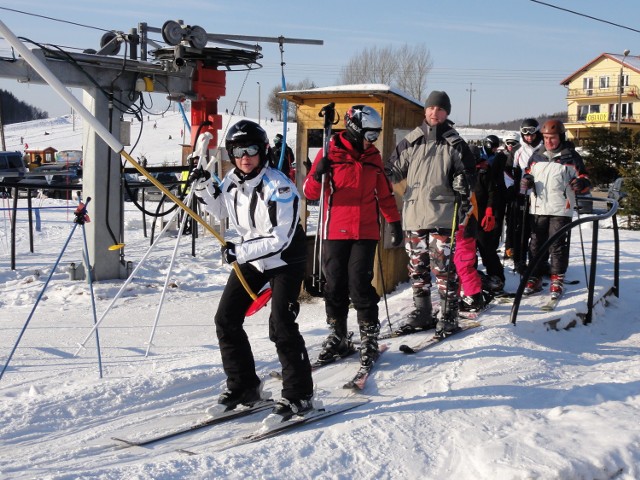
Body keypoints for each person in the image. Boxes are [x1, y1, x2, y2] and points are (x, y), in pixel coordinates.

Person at [192, 119, 313, 420]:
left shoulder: (280, 187)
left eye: (252, 149)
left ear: (264, 152)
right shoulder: (232, 180)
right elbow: (221, 210)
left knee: (281, 325)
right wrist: (205, 187)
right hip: (253, 259)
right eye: (238, 150)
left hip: (284, 260)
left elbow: (280, 239)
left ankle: (300, 394)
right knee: (226, 319)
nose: (245, 157)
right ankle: (244, 385)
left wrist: (238, 251)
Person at [303, 105, 402, 367]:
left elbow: (385, 193)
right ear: (356, 129)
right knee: (334, 284)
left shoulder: (373, 157)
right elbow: (310, 193)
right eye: (370, 135)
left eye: (376, 136)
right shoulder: (329, 154)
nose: (373, 141)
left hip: (366, 231)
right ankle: (338, 334)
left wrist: (394, 223)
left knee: (359, 283)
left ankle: (368, 334)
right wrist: (317, 173)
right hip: (334, 229)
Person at [384, 91, 477, 337]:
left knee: (443, 268)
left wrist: (463, 181)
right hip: (414, 214)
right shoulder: (412, 141)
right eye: (431, 108)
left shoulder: (454, 143)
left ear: (447, 113)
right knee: (417, 267)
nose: (434, 113)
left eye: (440, 109)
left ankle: (448, 314)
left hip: (443, 215)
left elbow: (470, 176)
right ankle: (422, 311)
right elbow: (394, 170)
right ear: (425, 111)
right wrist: (381, 175)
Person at [520, 119, 590, 298]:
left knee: (556, 245)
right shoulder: (537, 156)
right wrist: (527, 180)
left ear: (561, 137)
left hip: (561, 208)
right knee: (535, 244)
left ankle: (557, 279)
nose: (549, 142)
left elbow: (586, 180)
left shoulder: (571, 157)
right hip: (538, 208)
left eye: (552, 138)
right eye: (545, 138)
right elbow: (528, 173)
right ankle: (534, 276)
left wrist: (580, 183)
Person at [474, 135, 508, 294]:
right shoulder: (462, 173)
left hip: (481, 211)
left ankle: (497, 276)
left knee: (486, 245)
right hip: (466, 214)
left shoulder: (484, 171)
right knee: (467, 250)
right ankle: (470, 277)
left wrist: (489, 210)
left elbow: (492, 191)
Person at [511, 118, 544, 274]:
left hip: (542, 196)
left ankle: (538, 262)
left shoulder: (544, 148)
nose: (529, 138)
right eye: (525, 135)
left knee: (539, 232)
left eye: (532, 134)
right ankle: (519, 260)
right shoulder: (518, 150)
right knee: (521, 230)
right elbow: (508, 172)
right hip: (523, 195)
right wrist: (514, 188)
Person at [503, 132, 521, 260]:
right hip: (507, 194)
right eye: (508, 143)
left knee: (518, 223)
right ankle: (509, 248)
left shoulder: (520, 155)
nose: (510, 146)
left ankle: (516, 248)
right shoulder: (502, 156)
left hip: (519, 193)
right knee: (509, 222)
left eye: (513, 143)